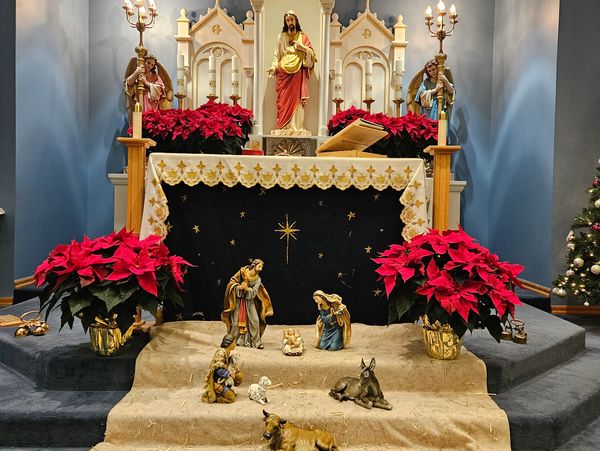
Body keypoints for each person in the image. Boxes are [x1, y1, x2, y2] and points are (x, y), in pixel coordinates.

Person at [267, 11, 316, 135]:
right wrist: (273, 67)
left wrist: (302, 48)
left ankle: (296, 126)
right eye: (288, 20)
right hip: (283, 73)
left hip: (297, 73)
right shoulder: (281, 37)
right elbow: (276, 55)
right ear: (285, 22)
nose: (290, 22)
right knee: (283, 101)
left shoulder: (303, 37)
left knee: (297, 101)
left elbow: (312, 54)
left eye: (292, 19)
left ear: (296, 21)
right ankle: (284, 127)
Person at [221, 259, 273, 349]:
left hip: (249, 302)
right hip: (238, 301)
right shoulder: (242, 271)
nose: (261, 269)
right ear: (254, 265)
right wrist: (239, 287)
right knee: (235, 322)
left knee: (255, 321)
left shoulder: (258, 279)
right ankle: (235, 340)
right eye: (259, 266)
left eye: (262, 267)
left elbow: (254, 292)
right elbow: (232, 282)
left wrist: (247, 289)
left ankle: (256, 342)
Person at [201, 335, 243, 403]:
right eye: (234, 342)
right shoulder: (221, 353)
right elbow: (219, 370)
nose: (235, 344)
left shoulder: (227, 352)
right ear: (229, 343)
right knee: (231, 398)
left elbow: (226, 365)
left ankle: (227, 388)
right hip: (218, 381)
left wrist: (233, 366)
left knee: (239, 375)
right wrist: (230, 373)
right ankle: (218, 397)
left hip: (224, 379)